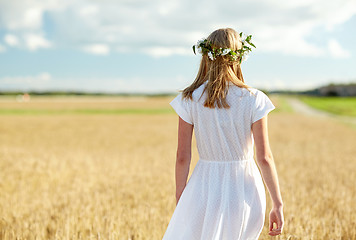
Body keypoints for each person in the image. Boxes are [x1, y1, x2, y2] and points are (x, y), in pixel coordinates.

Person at [162, 28, 284, 240]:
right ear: (239, 56)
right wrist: (278, 203)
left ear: (206, 56)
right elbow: (264, 158)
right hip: (245, 187)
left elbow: (182, 156)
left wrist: (181, 195)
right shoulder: (254, 98)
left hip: (204, 186)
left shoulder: (190, 98)